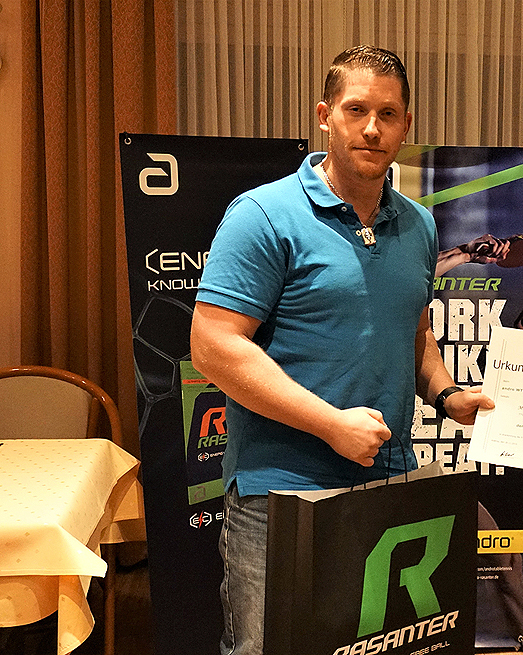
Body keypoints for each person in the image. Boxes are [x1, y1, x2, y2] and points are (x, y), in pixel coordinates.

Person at [190, 45, 493, 655]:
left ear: (406, 125)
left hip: (387, 481)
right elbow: (214, 346)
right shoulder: (263, 214)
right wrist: (331, 425)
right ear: (325, 115)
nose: (372, 128)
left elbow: (415, 332)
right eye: (357, 110)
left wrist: (446, 394)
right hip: (280, 491)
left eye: (388, 113)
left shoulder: (419, 224)